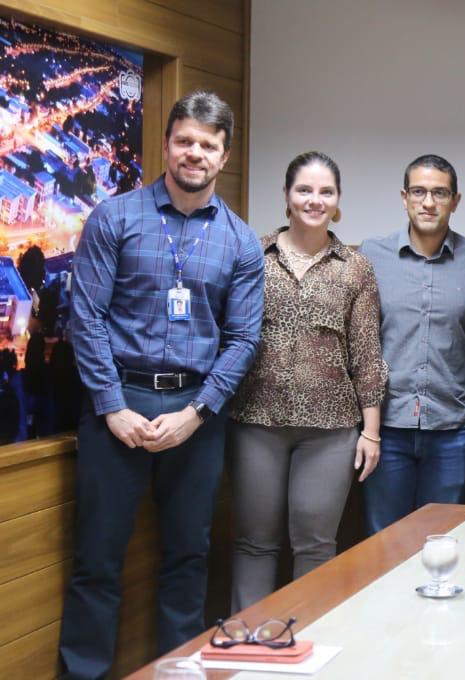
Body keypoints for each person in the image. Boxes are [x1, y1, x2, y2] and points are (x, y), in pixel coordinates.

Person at [59, 91, 264, 680]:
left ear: (223, 155)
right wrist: (112, 408)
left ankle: (175, 674)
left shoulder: (241, 241)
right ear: (168, 144)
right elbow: (86, 317)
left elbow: (243, 339)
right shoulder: (115, 217)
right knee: (97, 562)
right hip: (115, 407)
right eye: (185, 141)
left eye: (208, 144)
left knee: (187, 559)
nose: (194, 153)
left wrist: (196, 412)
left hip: (195, 414)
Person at [225, 151, 388, 611]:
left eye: (325, 192)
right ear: (286, 196)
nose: (314, 200)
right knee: (254, 541)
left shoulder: (355, 267)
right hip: (256, 421)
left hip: (332, 430)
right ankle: (247, 647)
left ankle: (309, 647)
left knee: (316, 544)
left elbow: (367, 355)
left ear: (337, 201)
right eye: (304, 190)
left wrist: (371, 432)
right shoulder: (253, 256)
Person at [360, 154, 465, 533]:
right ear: (404, 197)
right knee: (383, 543)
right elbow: (361, 341)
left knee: (441, 541)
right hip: (387, 427)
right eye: (419, 191)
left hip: (452, 428)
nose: (429, 202)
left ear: (456, 200)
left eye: (440, 193)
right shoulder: (372, 255)